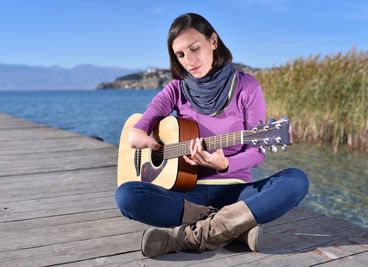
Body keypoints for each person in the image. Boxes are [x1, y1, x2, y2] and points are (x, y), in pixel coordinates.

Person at [115, 13, 309, 258]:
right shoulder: (176, 89)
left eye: (195, 48)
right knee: (127, 196)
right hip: (186, 195)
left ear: (213, 41)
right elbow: (141, 125)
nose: (189, 60)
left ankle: (187, 236)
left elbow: (257, 154)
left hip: (237, 193)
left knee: (296, 180)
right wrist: (138, 136)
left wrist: (226, 164)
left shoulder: (247, 87)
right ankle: (234, 228)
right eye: (181, 55)